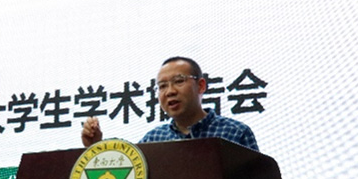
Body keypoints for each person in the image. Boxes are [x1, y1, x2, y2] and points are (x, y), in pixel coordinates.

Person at [81, 56, 258, 151]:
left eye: (179, 81)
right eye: (162, 86)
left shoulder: (236, 133)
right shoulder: (153, 139)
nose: (170, 91)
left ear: (201, 85)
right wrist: (95, 147)